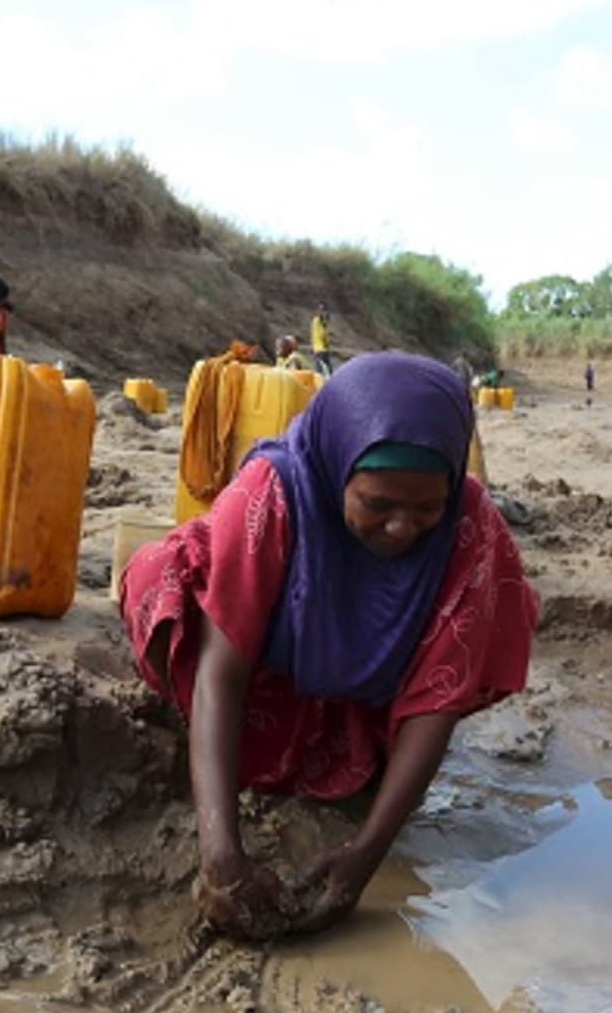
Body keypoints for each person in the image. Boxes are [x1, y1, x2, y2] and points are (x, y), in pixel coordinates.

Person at [121, 353, 538, 938]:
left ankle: (344, 736)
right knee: (160, 579)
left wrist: (366, 855)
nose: (401, 527)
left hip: (366, 689)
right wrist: (220, 856)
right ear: (339, 467)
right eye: (377, 504)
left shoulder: (470, 525)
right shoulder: (272, 494)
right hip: (265, 668)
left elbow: (439, 695)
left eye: (425, 508)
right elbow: (221, 672)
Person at [309, 303, 335, 376]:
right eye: (321, 310)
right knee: (319, 372)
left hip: (324, 350)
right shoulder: (316, 321)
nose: (323, 313)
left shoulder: (323, 323)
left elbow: (326, 338)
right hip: (319, 350)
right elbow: (320, 335)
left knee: (329, 371)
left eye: (324, 310)